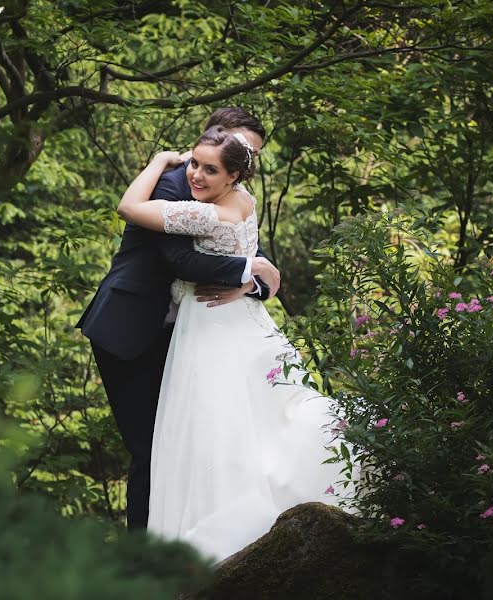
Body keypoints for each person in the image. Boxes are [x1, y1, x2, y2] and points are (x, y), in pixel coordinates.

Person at [117, 126, 343, 562]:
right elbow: (249, 262)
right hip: (244, 318)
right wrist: (250, 278)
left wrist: (159, 161)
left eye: (209, 169)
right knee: (258, 415)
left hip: (207, 323)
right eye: (193, 164)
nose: (195, 176)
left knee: (210, 424)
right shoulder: (246, 202)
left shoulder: (205, 214)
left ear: (235, 174)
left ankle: (217, 524)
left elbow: (129, 207)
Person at [76, 108, 281, 530]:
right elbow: (181, 259)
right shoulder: (177, 183)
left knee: (194, 440)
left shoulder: (233, 194)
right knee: (152, 448)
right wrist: (252, 271)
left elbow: (244, 246)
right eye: (243, 149)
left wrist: (257, 280)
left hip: (190, 332)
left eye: (252, 156)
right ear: (217, 135)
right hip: (132, 328)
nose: (249, 162)